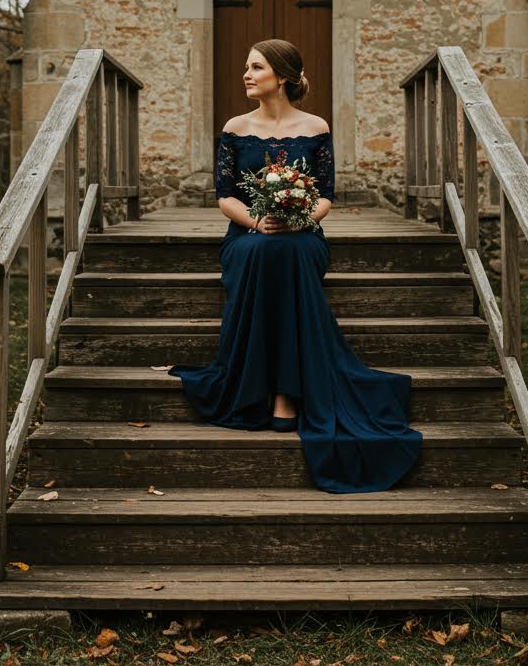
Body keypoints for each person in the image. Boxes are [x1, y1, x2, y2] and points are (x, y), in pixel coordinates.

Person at [168, 38, 422, 494]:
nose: (246, 75)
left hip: (304, 235)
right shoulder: (234, 126)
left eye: (256, 67)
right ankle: (274, 394)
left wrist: (297, 219)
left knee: (289, 251)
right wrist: (258, 222)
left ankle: (284, 395)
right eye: (247, 67)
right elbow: (224, 195)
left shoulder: (316, 126)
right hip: (246, 235)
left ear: (281, 76)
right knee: (265, 252)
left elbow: (326, 195)